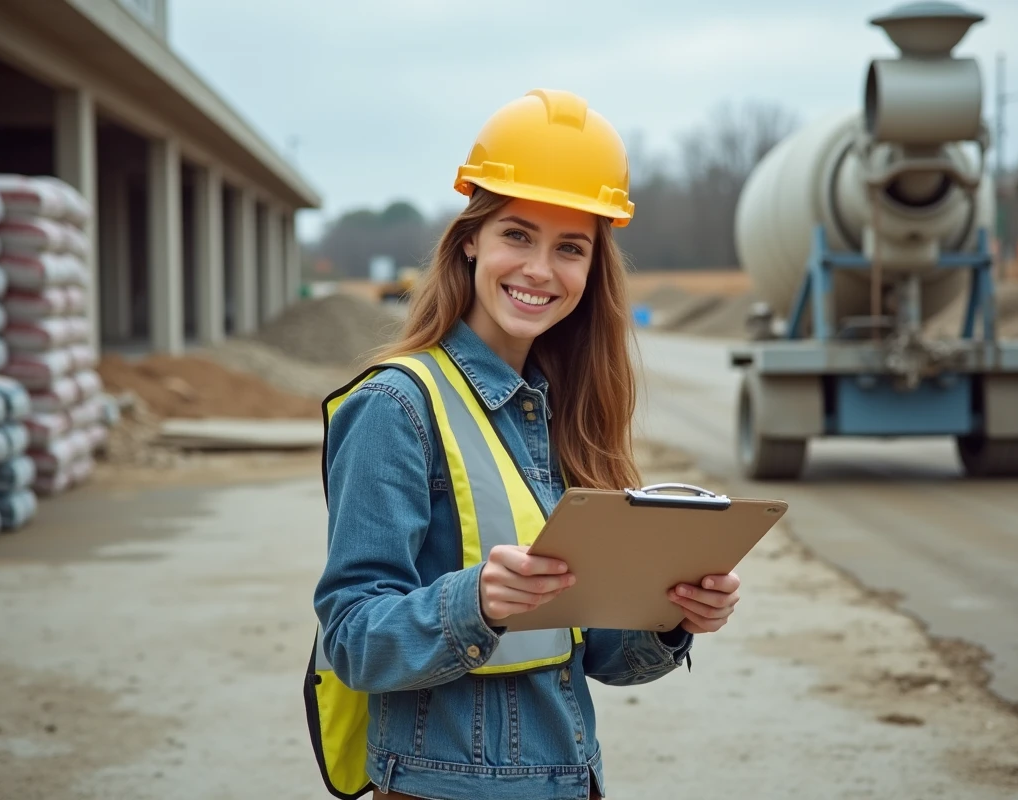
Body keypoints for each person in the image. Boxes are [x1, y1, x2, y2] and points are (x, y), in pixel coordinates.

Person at [308, 88, 742, 800]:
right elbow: (353, 638)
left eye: (570, 247)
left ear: (592, 268)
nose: (541, 269)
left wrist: (672, 617)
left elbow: (598, 653)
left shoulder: (562, 411)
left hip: (568, 780)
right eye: (517, 234)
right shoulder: (395, 406)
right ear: (471, 238)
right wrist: (476, 600)